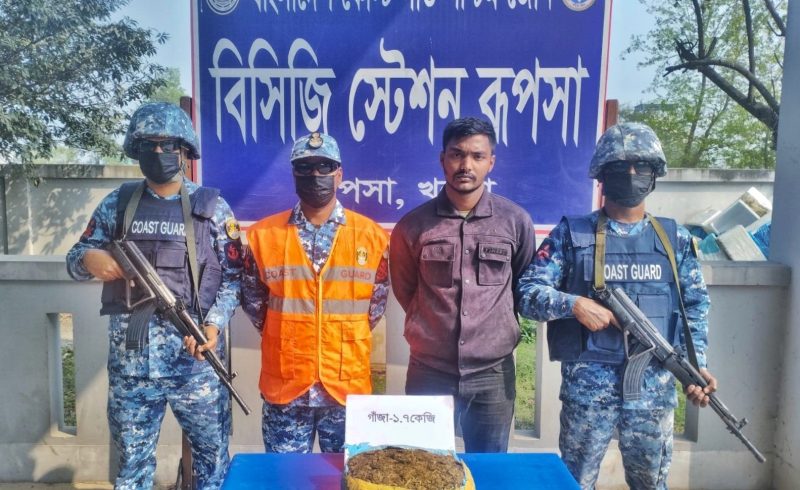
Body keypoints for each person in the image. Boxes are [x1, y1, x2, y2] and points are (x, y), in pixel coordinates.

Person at [516, 122, 717, 489]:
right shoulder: (571, 235)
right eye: (620, 166)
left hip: (653, 392)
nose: (631, 174)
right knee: (575, 483)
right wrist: (574, 304)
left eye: (642, 167)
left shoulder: (675, 239)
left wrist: (696, 365)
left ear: (654, 175)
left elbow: (695, 306)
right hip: (588, 393)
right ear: (601, 176)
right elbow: (527, 293)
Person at [66, 102, 242, 490]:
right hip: (132, 369)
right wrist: (91, 259)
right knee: (132, 467)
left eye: (168, 145)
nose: (159, 152)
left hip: (195, 365)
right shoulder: (118, 203)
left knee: (214, 466)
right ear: (136, 149)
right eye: (149, 145)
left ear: (185, 151)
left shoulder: (212, 208)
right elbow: (75, 258)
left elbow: (234, 279)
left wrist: (213, 325)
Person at [389, 117, 537, 453]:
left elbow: (521, 286)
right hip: (429, 371)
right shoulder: (413, 226)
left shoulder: (515, 221)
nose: (466, 165)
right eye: (457, 154)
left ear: (491, 162)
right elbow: (406, 290)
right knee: (425, 466)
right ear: (443, 159)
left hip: (492, 374)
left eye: (477, 156)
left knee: (489, 466)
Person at [242, 131, 390, 453]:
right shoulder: (263, 236)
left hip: (346, 391)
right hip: (287, 388)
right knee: (286, 477)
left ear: (340, 174)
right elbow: (254, 303)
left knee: (347, 477)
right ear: (294, 174)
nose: (315, 175)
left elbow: (375, 308)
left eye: (325, 166)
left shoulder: (373, 237)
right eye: (305, 167)